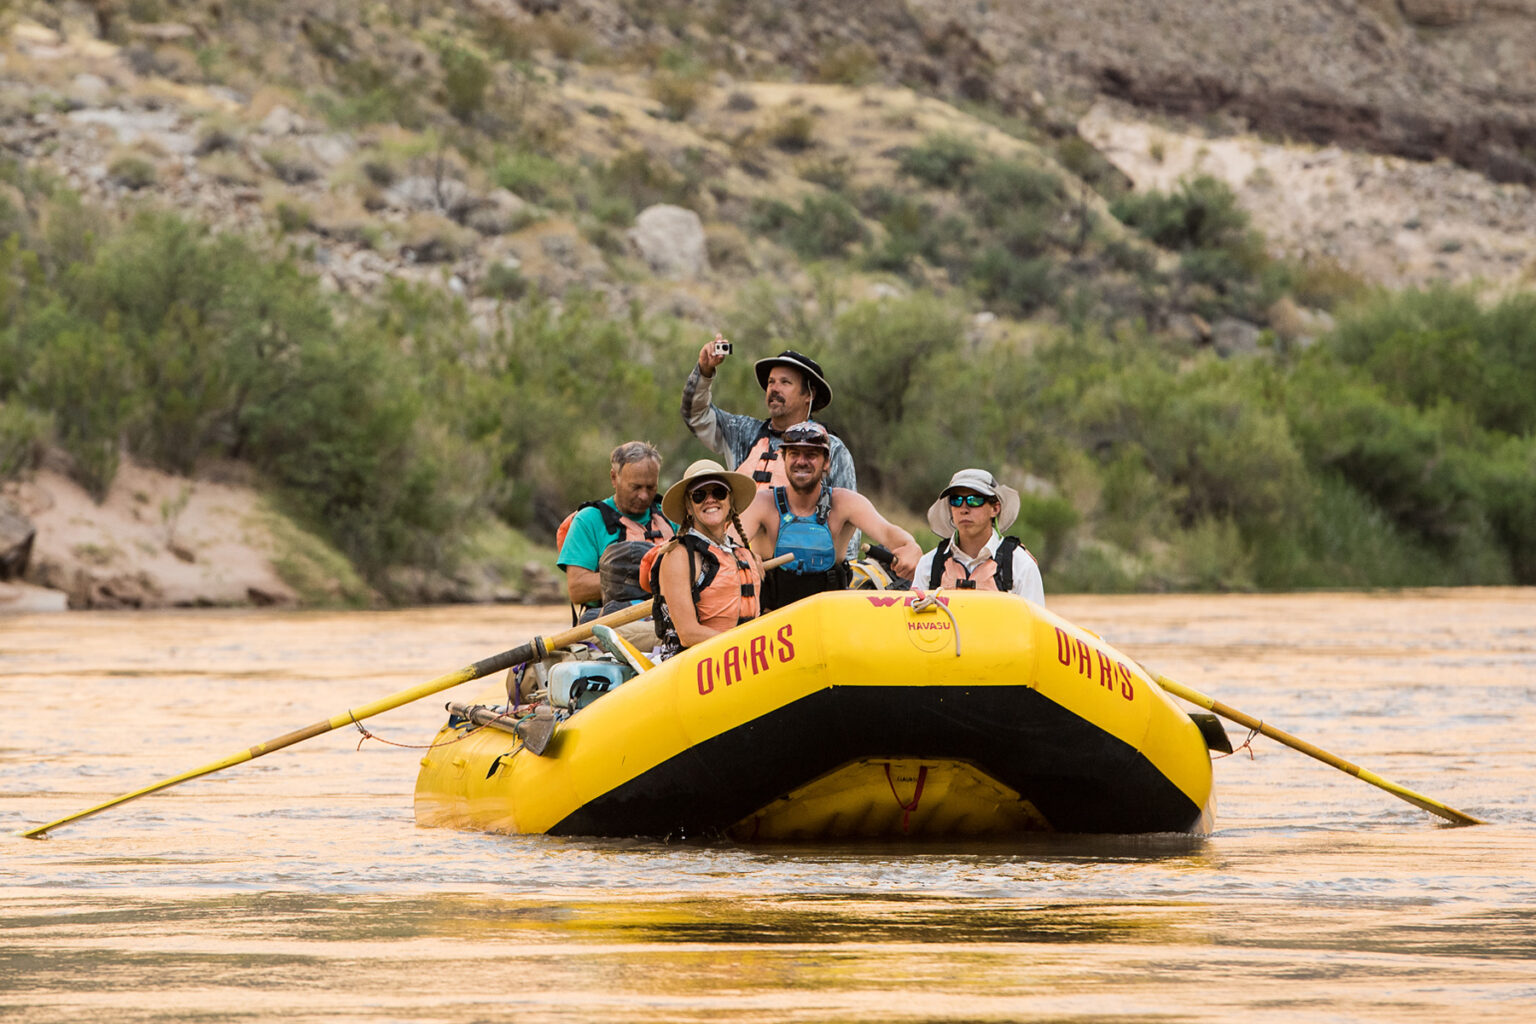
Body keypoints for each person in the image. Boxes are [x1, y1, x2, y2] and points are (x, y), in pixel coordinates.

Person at [738, 421, 921, 610]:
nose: (801, 461)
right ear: (783, 459)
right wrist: (744, 558)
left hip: (829, 622)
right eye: (794, 454)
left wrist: (911, 548)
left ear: (826, 463)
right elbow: (724, 550)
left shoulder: (846, 503)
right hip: (771, 626)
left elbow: (892, 535)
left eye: (811, 455)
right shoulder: (761, 504)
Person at [649, 459, 764, 654]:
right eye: (699, 495)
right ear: (688, 506)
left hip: (745, 658)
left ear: (730, 501)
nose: (710, 500)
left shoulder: (744, 553)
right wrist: (745, 644)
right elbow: (688, 634)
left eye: (718, 492)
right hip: (698, 662)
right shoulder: (678, 556)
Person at [556, 441, 676, 625]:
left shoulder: (670, 516)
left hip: (668, 617)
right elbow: (577, 589)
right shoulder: (588, 520)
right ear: (614, 478)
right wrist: (642, 577)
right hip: (613, 622)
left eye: (651, 487)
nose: (644, 496)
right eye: (635, 487)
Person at [913, 469, 1044, 604]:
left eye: (974, 500)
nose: (964, 509)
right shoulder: (927, 565)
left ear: (995, 509)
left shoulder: (1021, 566)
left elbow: (1033, 623)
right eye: (956, 500)